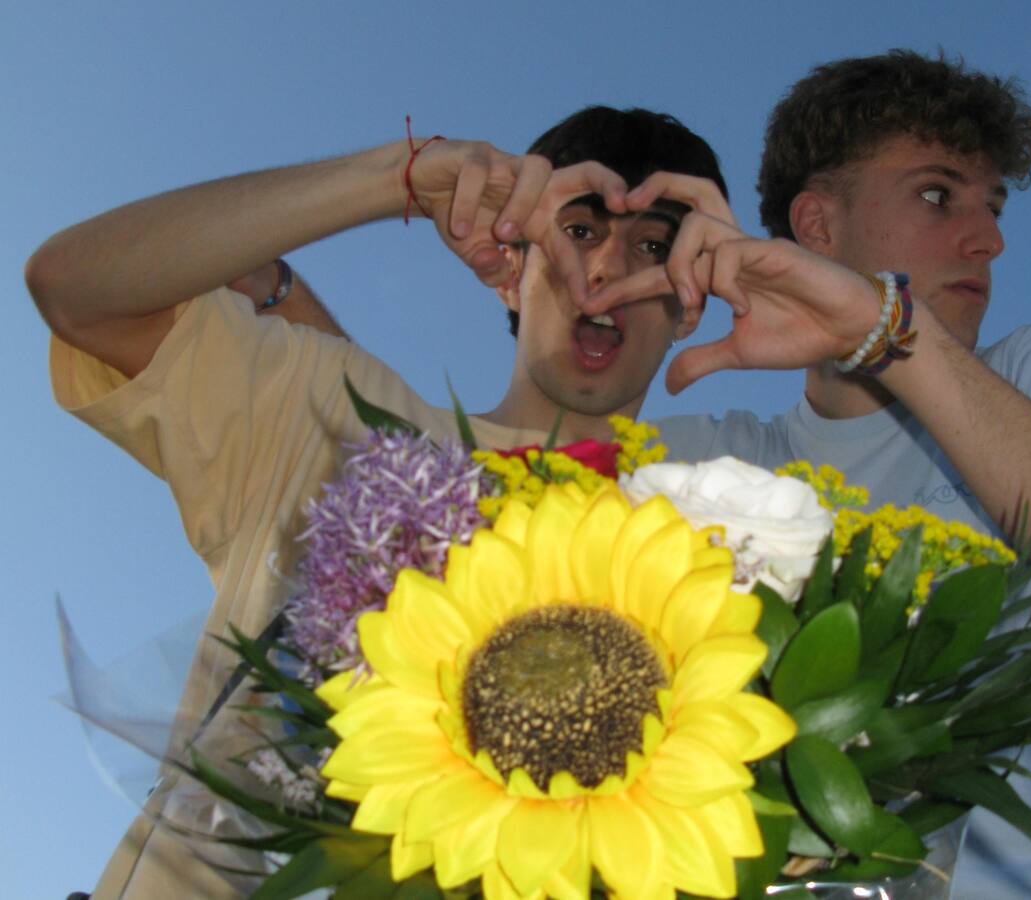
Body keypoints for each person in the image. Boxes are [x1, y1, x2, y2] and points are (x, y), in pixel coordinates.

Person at [26, 106, 729, 899]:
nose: (605, 270)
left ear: (690, 299)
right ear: (510, 269)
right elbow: (75, 289)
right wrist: (398, 177)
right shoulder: (335, 415)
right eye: (577, 231)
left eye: (654, 248)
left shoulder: (731, 535)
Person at [586, 50, 1031, 897]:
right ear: (819, 226)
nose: (989, 239)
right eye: (938, 196)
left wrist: (887, 331)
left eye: (992, 207)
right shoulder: (699, 461)